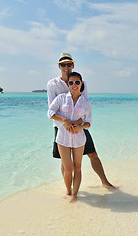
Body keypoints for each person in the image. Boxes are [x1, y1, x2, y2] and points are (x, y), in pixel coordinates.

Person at [47, 53, 117, 189]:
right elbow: (51, 108)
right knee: (65, 162)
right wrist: (65, 122)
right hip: (60, 127)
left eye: (69, 64)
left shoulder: (81, 82)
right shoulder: (52, 84)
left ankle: (105, 182)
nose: (66, 67)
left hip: (79, 126)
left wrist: (78, 123)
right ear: (59, 66)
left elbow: (84, 105)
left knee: (93, 154)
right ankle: (68, 190)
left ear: (73, 65)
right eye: (63, 64)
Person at [48, 72, 91, 203]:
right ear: (68, 84)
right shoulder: (61, 98)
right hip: (62, 138)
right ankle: (68, 191)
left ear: (81, 84)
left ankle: (75, 195)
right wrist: (64, 120)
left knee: (77, 168)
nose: (74, 85)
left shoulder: (85, 102)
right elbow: (50, 112)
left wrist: (80, 126)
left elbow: (88, 122)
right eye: (71, 82)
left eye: (77, 82)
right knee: (68, 168)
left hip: (79, 138)